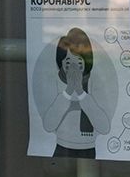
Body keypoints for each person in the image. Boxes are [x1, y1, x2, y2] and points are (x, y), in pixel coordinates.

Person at [42, 27, 110, 158]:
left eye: (79, 62)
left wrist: (80, 92)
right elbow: (48, 125)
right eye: (68, 63)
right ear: (61, 63)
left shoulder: (95, 83)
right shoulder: (55, 81)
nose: (74, 68)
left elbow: (104, 127)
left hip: (89, 148)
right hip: (62, 146)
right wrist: (68, 91)